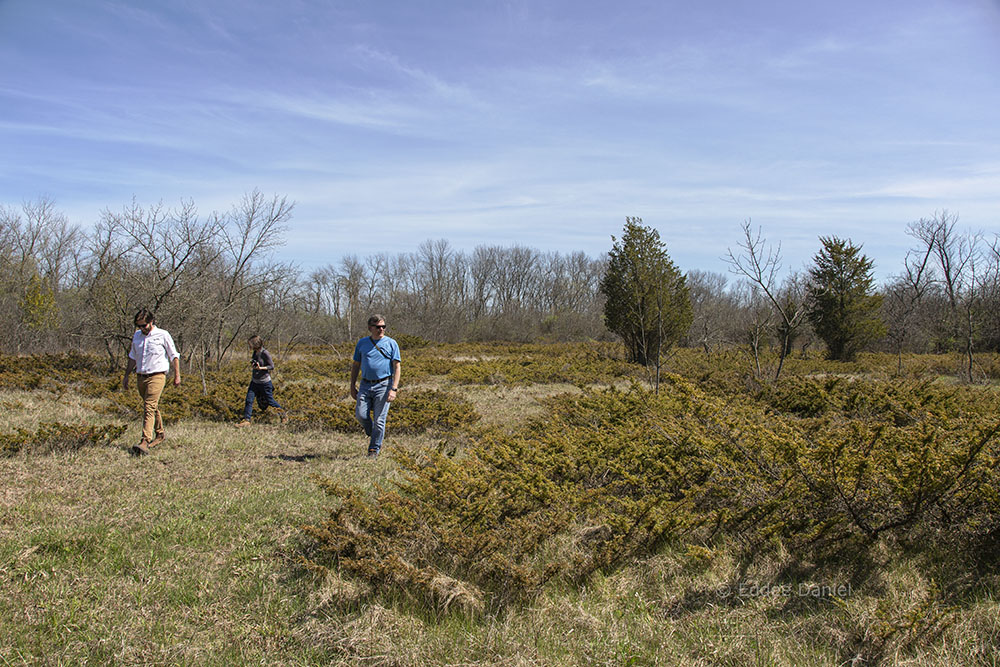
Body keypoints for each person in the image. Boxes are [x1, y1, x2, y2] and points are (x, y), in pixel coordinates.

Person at [122, 308, 181, 456]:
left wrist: (177, 375)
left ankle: (144, 441)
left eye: (144, 325)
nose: (142, 329)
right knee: (151, 406)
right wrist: (126, 375)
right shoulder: (137, 336)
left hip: (157, 376)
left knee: (148, 407)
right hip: (141, 376)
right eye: (139, 326)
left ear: (151, 321)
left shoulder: (163, 335)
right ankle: (160, 434)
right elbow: (132, 356)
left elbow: (174, 355)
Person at [350, 314, 401, 458]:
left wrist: (394, 389)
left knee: (380, 420)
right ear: (370, 328)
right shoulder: (362, 343)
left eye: (383, 326)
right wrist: (352, 385)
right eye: (378, 327)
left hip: (384, 385)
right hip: (365, 384)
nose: (381, 329)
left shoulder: (392, 343)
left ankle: (374, 449)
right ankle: (371, 431)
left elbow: (397, 367)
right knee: (361, 415)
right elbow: (356, 365)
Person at [236, 335, 287, 427]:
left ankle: (283, 416)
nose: (249, 346)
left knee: (270, 401)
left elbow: (271, 366)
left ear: (256, 344)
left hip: (265, 382)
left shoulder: (265, 353)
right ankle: (247, 420)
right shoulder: (255, 352)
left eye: (251, 344)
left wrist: (261, 368)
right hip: (255, 381)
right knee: (249, 400)